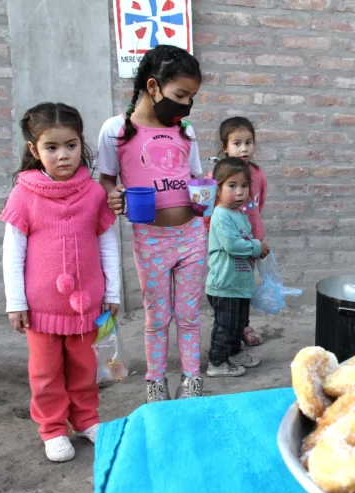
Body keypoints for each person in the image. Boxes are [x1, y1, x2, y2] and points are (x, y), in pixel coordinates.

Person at [0, 103, 120, 462]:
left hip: (87, 306)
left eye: (70, 145)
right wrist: (16, 302)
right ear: (34, 150)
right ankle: (52, 428)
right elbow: (13, 253)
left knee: (85, 368)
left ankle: (85, 419)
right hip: (41, 309)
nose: (63, 155)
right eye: (51, 148)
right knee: (46, 373)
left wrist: (112, 291)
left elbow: (107, 243)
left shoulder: (95, 193)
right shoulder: (25, 195)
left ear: (80, 143)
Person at [96, 45, 205, 403]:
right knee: (157, 317)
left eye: (191, 97)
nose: (187, 104)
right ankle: (155, 382)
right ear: (154, 86)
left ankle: (191, 380)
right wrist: (114, 196)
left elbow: (196, 178)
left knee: (189, 316)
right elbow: (107, 181)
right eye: (181, 95)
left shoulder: (186, 131)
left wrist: (206, 198)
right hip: (151, 240)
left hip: (191, 236)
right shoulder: (117, 129)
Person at [203, 116, 268, 347]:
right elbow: (207, 208)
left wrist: (256, 237)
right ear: (224, 147)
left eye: (249, 142)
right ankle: (230, 331)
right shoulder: (215, 177)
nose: (244, 148)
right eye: (237, 143)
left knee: (245, 282)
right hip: (227, 240)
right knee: (230, 283)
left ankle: (243, 323)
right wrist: (213, 231)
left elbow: (258, 204)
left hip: (251, 237)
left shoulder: (258, 174)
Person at [206, 158, 270, 378]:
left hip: (239, 283)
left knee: (238, 324)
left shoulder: (238, 213)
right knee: (226, 325)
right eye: (232, 186)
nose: (240, 191)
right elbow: (232, 245)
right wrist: (256, 246)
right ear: (217, 189)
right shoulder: (221, 214)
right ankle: (216, 361)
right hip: (225, 284)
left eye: (244, 186)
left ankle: (233, 353)